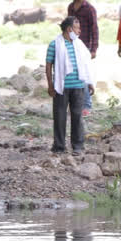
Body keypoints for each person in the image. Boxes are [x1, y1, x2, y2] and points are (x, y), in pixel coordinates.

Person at [45, 17, 95, 156]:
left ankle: (78, 146)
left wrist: (89, 82)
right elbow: (48, 65)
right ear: (69, 29)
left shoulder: (79, 44)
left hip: (79, 85)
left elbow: (86, 64)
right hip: (61, 87)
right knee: (60, 116)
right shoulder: (55, 44)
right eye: (77, 28)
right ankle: (59, 146)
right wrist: (50, 85)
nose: (79, 31)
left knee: (77, 116)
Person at [67, 0, 98, 115]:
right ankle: (76, 103)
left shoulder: (89, 9)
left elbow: (94, 29)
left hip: (85, 47)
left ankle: (87, 105)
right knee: (73, 74)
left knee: (84, 75)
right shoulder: (71, 7)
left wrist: (93, 49)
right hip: (72, 45)